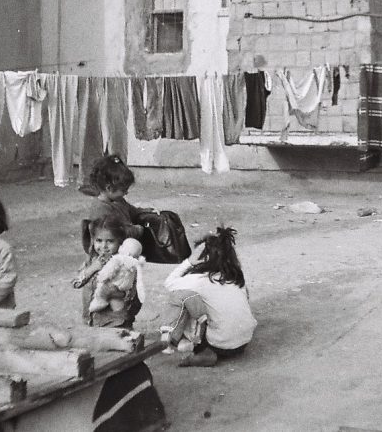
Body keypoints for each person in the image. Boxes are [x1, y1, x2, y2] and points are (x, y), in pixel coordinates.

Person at [163, 226, 257, 368]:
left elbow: (169, 283)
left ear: (202, 258)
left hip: (218, 343)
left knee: (180, 296)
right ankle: (216, 343)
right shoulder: (234, 277)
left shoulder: (198, 280)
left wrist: (189, 262)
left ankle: (182, 342)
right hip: (244, 342)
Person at [73, 217, 144, 328]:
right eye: (99, 240)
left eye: (110, 241)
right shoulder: (92, 260)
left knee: (124, 343)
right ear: (93, 240)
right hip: (91, 320)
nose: (104, 246)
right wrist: (92, 268)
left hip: (116, 321)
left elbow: (133, 294)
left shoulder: (125, 264)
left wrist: (112, 292)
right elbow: (75, 283)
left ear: (120, 242)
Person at [80, 154, 151, 254]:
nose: (126, 193)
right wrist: (137, 230)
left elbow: (131, 210)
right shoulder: (101, 209)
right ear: (109, 188)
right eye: (123, 190)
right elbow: (116, 232)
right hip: (108, 251)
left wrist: (144, 211)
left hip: (119, 245)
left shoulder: (118, 200)